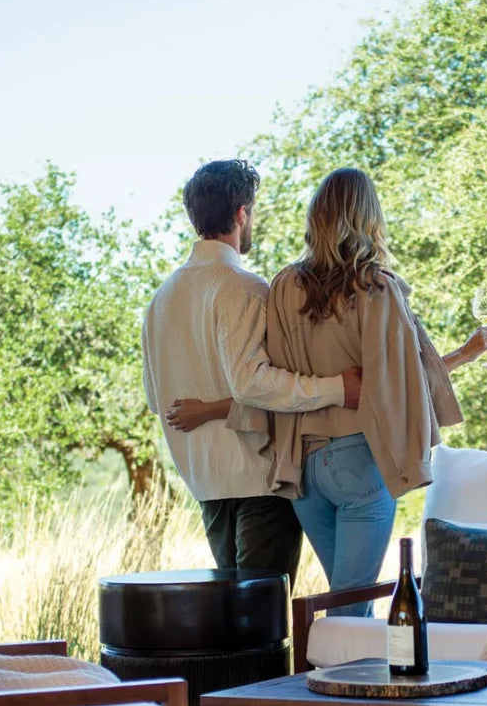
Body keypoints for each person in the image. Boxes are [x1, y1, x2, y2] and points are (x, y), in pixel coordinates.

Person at [167, 167, 487, 616]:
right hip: (358, 461)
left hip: (303, 469)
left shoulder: (283, 285)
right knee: (351, 613)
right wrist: (464, 355)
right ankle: (333, 680)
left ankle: (321, 676)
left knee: (344, 602)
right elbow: (399, 379)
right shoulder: (377, 286)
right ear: (369, 218)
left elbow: (270, 377)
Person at [142, 159, 363, 587]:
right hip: (260, 476)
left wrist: (207, 407)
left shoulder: (161, 299)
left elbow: (157, 400)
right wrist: (338, 388)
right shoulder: (242, 287)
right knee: (262, 626)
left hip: (205, 483)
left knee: (235, 622)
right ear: (242, 212)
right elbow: (254, 382)